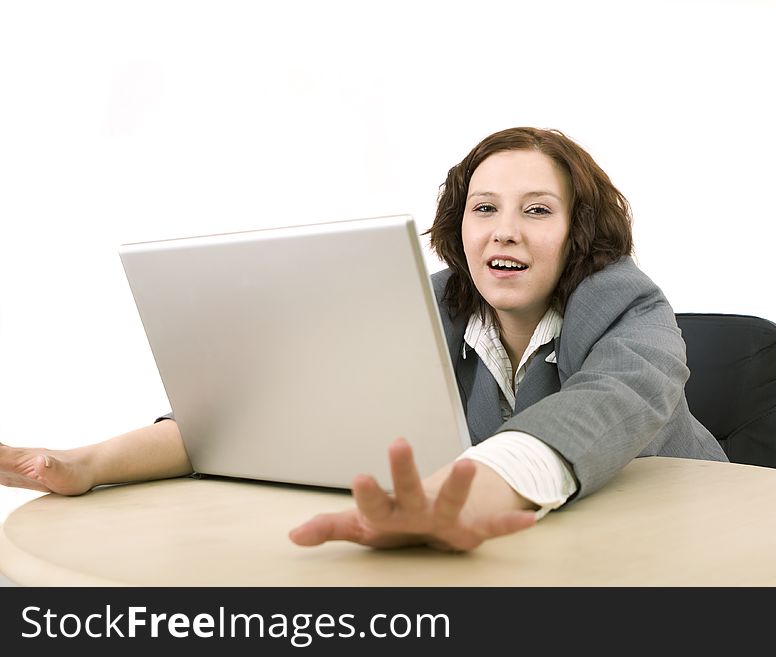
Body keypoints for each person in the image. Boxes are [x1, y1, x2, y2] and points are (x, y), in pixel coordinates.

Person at [0, 127, 728, 552]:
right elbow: (270, 413)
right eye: (485, 208)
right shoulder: (432, 300)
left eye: (537, 209)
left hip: (671, 547)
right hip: (523, 557)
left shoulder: (627, 302)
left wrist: (456, 494)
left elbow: (606, 405)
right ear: (460, 225)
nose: (505, 228)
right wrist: (86, 461)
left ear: (580, 233)